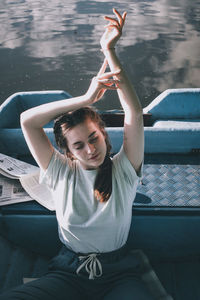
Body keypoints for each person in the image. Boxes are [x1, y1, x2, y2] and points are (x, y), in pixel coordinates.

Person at [0, 8, 171, 300]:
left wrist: (110, 50)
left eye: (94, 138)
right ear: (67, 152)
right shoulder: (60, 171)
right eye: (78, 145)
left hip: (120, 272)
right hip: (68, 271)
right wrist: (85, 98)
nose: (91, 149)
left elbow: (134, 114)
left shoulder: (124, 170)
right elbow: (28, 121)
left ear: (104, 134)